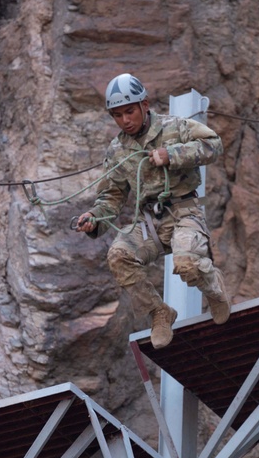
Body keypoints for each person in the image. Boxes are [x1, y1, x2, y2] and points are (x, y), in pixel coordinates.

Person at [75, 73, 230, 348]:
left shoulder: (174, 126)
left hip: (185, 212)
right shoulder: (117, 150)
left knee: (187, 264)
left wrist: (172, 155)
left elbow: (213, 144)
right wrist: (94, 218)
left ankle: (214, 289)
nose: (125, 120)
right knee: (119, 255)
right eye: (118, 115)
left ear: (144, 105)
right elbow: (112, 195)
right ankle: (159, 312)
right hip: (149, 220)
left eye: (130, 111)